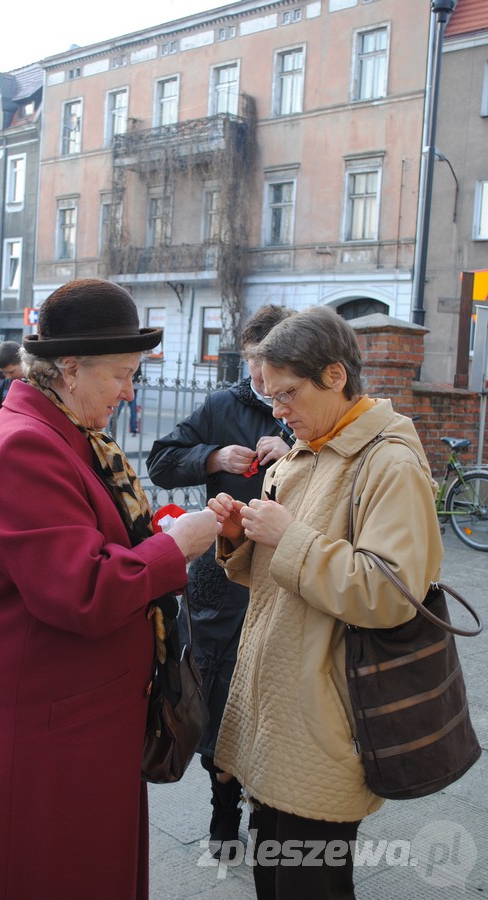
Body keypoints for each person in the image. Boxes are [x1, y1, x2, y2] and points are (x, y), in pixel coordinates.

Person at [0, 278, 220, 900]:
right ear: (69, 369)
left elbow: (89, 542)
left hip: (69, 705)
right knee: (33, 870)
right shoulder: (27, 447)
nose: (129, 389)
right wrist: (177, 548)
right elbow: (83, 590)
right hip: (36, 714)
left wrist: (156, 535)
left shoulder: (63, 431)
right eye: (121, 373)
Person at [208, 306, 444, 900]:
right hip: (277, 708)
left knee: (311, 885)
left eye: (287, 393)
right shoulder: (303, 450)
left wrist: (287, 536)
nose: (277, 409)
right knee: (275, 876)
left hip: (328, 718)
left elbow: (390, 593)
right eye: (271, 393)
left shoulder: (389, 461)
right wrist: (239, 538)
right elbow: (277, 581)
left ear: (336, 376)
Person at [146, 305, 293, 852]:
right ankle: (223, 808)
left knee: (273, 693)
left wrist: (297, 452)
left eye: (270, 364)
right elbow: (161, 461)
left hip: (284, 574)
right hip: (222, 578)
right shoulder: (222, 404)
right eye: (253, 362)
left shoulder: (308, 411)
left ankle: (267, 806)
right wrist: (210, 458)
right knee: (219, 689)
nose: (260, 378)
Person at [115, 363, 141, 435]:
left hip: (133, 392)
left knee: (133, 411)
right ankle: (112, 426)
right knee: (117, 410)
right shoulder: (126, 365)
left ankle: (134, 429)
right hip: (123, 392)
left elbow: (139, 376)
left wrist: (137, 383)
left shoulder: (138, 365)